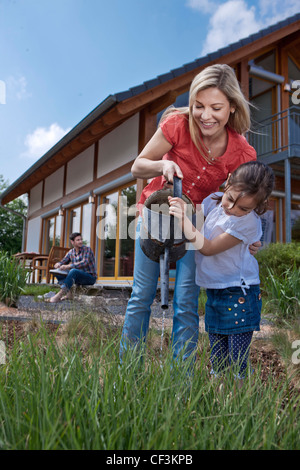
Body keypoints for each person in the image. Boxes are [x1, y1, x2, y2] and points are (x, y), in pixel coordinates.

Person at [120, 63, 261, 363]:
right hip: (155, 213)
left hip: (193, 222)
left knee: (185, 302)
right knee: (141, 296)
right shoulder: (177, 125)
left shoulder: (243, 153)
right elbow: (137, 166)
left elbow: (240, 201)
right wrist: (162, 165)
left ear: (232, 108)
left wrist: (249, 236)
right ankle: (126, 371)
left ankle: (180, 384)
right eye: (198, 105)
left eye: (216, 108)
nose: (205, 116)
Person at [169, 161, 275, 379]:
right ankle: (221, 403)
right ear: (227, 183)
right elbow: (195, 230)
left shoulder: (247, 223)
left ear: (258, 205)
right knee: (218, 359)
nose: (232, 209)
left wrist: (183, 220)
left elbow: (207, 248)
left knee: (237, 360)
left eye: (244, 208)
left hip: (239, 292)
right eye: (230, 199)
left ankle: (240, 404)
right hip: (215, 290)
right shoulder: (212, 202)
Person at [49, 232, 97, 303]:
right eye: (78, 240)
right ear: (72, 242)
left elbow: (84, 262)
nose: (80, 241)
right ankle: (69, 294)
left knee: (73, 271)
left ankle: (60, 294)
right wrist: (58, 264)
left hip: (89, 277)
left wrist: (69, 266)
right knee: (58, 271)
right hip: (77, 277)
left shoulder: (87, 249)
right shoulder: (71, 252)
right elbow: (63, 261)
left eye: (81, 239)